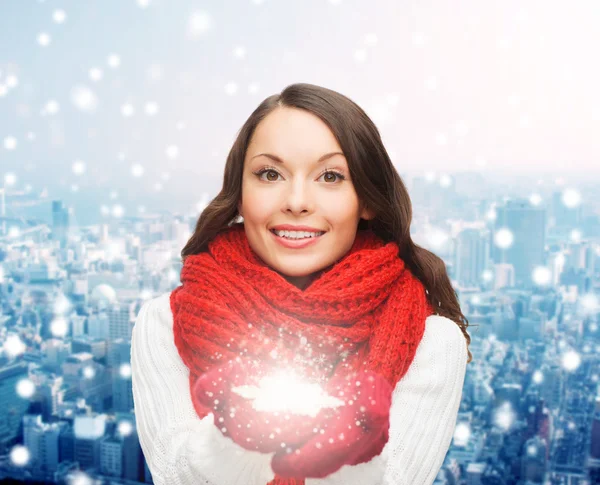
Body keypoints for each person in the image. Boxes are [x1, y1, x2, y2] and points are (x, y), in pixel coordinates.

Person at [131, 83, 473, 485]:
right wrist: (243, 432)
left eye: (330, 176)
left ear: (367, 200)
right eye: (269, 174)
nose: (296, 201)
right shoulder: (164, 324)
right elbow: (175, 477)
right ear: (240, 195)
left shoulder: (431, 343)